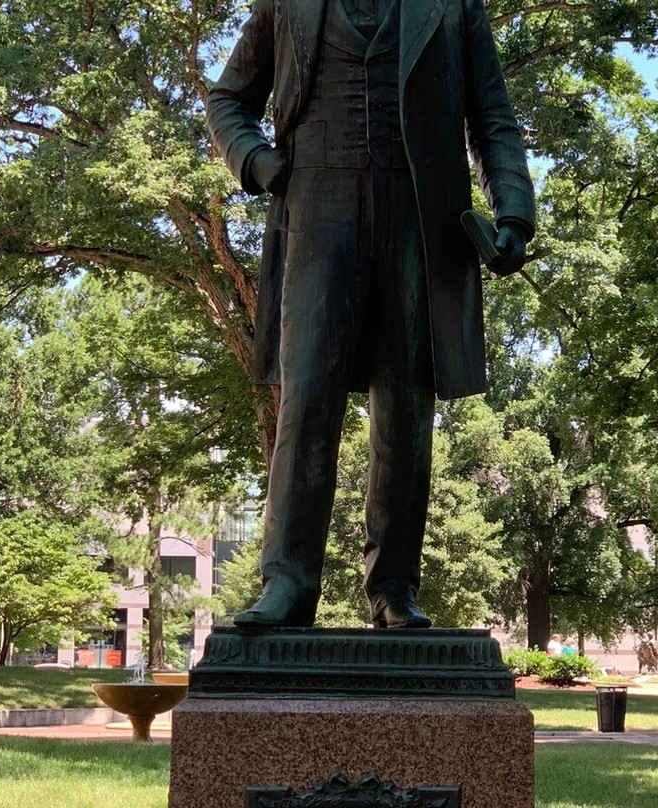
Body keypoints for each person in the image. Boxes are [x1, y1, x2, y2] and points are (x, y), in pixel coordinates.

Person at [207, 0, 535, 628]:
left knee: (407, 411)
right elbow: (229, 98)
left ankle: (393, 588)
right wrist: (255, 159)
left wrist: (514, 209)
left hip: (420, 219)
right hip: (317, 208)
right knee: (306, 402)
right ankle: (288, 584)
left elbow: (492, 117)